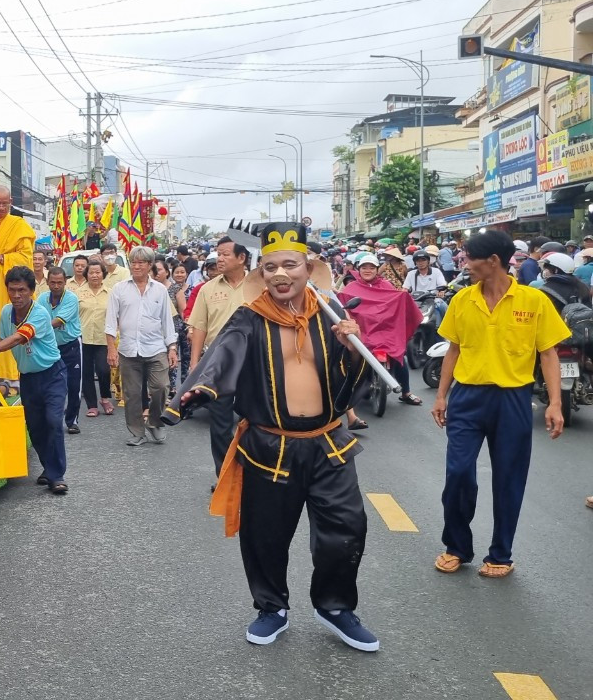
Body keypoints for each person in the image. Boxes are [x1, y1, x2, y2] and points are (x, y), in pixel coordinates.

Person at [163, 221, 378, 652]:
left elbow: (350, 382)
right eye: (271, 266)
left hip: (327, 444)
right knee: (265, 534)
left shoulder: (330, 314)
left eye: (290, 265)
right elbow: (223, 356)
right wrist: (198, 388)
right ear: (262, 273)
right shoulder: (249, 318)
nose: (281, 274)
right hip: (269, 447)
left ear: (308, 268)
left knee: (347, 527)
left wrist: (352, 349)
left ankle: (335, 606)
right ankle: (271, 607)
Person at [431, 230, 570, 579]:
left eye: (470, 258)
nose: (465, 264)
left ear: (493, 261)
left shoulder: (534, 301)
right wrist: (441, 394)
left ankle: (501, 554)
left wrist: (555, 403)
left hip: (513, 399)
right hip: (467, 397)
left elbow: (548, 354)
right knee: (458, 472)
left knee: (509, 477)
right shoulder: (463, 299)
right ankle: (456, 547)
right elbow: (454, 350)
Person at [0, 266, 70, 493]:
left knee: (53, 421)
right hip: (27, 377)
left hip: (52, 375)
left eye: (22, 290)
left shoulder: (40, 313)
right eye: (12, 290)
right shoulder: (6, 311)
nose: (16, 295)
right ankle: (49, 468)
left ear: (31, 291)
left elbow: (19, 338)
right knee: (35, 427)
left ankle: (57, 475)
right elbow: (3, 339)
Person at [188, 236, 251, 477]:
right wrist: (195, 363)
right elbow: (199, 327)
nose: (219, 259)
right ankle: (225, 475)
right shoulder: (208, 289)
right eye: (218, 253)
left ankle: (252, 475)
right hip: (218, 363)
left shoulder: (260, 286)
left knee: (254, 420)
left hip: (252, 361)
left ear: (242, 258)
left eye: (225, 254)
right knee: (220, 423)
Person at [105, 246, 179, 447]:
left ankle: (154, 422)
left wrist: (172, 348)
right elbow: (110, 321)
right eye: (133, 262)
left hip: (156, 348)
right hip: (128, 349)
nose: (136, 266)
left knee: (161, 387)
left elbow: (167, 321)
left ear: (149, 265)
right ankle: (137, 432)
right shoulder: (119, 289)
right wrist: (111, 349)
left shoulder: (160, 290)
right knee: (132, 394)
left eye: (141, 263)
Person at [337, 254, 423, 407]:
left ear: (377, 270)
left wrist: (404, 296)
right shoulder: (351, 288)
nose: (368, 270)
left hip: (385, 331)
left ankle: (406, 392)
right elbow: (342, 305)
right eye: (364, 267)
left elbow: (396, 301)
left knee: (399, 357)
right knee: (345, 357)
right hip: (362, 332)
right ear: (358, 269)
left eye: (372, 268)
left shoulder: (387, 286)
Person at [0, 185, 36, 385]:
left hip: (6, 285)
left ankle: (9, 375)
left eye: (4, 203)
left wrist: (1, 258)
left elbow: (25, 257)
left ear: (10, 203)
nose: (0, 207)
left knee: (5, 324)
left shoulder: (18, 225)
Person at [43, 267, 82, 434]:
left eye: (60, 282)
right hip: (50, 347)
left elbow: (58, 321)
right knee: (50, 385)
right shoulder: (42, 299)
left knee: (73, 385)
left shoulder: (71, 299)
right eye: (53, 282)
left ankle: (72, 421)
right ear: (47, 282)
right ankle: (50, 420)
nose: (56, 286)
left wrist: (34, 328)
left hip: (71, 344)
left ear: (65, 282)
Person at [78, 259, 115, 417]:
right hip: (83, 337)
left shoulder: (111, 293)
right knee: (85, 372)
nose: (94, 275)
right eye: (91, 272)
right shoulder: (78, 293)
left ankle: (105, 398)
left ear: (103, 274)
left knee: (103, 369)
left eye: (97, 272)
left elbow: (116, 316)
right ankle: (92, 405)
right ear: (86, 274)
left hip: (103, 338)